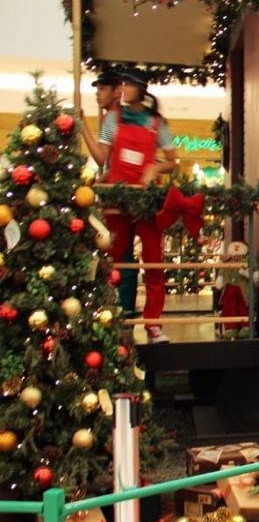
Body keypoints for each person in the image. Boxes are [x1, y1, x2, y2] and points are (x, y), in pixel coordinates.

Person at [94, 68, 178, 344]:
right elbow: (103, 158)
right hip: (117, 199)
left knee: (153, 261)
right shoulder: (111, 119)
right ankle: (117, 319)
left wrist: (155, 168)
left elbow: (172, 161)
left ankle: (153, 325)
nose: (123, 90)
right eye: (122, 85)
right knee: (116, 260)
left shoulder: (156, 123)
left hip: (146, 201)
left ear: (140, 89)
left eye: (128, 85)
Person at [78, 69, 141, 319]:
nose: (98, 94)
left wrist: (83, 128)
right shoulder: (127, 118)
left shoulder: (112, 119)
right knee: (123, 252)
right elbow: (114, 165)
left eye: (103, 88)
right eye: (97, 89)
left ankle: (120, 310)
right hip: (129, 192)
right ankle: (125, 308)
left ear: (117, 92)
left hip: (117, 197)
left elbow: (102, 158)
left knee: (117, 251)